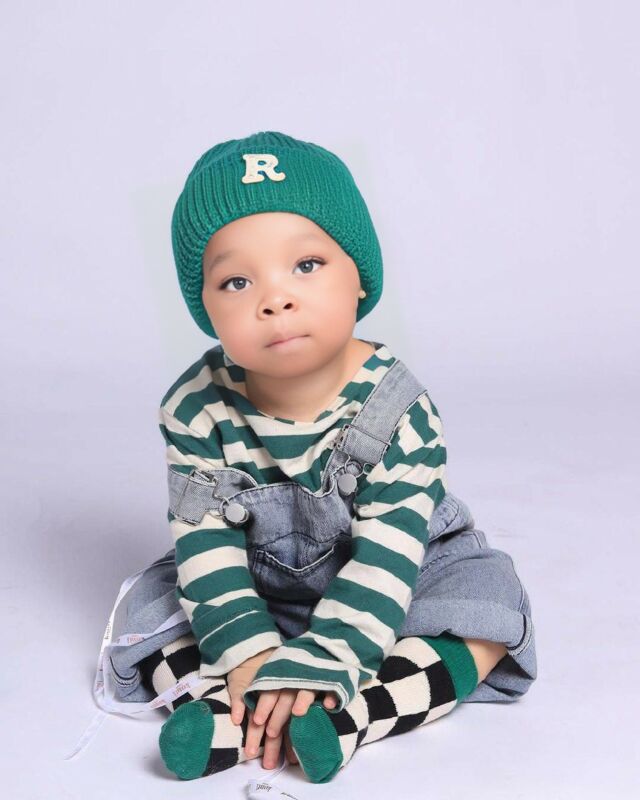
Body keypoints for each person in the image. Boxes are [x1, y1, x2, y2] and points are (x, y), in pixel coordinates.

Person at [93, 130, 537, 784]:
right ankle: (227, 706)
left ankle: (354, 714)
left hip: (394, 572)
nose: (275, 299)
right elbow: (208, 548)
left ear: (360, 279)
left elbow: (386, 561)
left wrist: (327, 659)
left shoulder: (398, 408)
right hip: (257, 579)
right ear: (205, 307)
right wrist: (246, 654)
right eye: (237, 281)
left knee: (488, 605)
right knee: (152, 608)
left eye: (306, 265)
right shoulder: (194, 409)